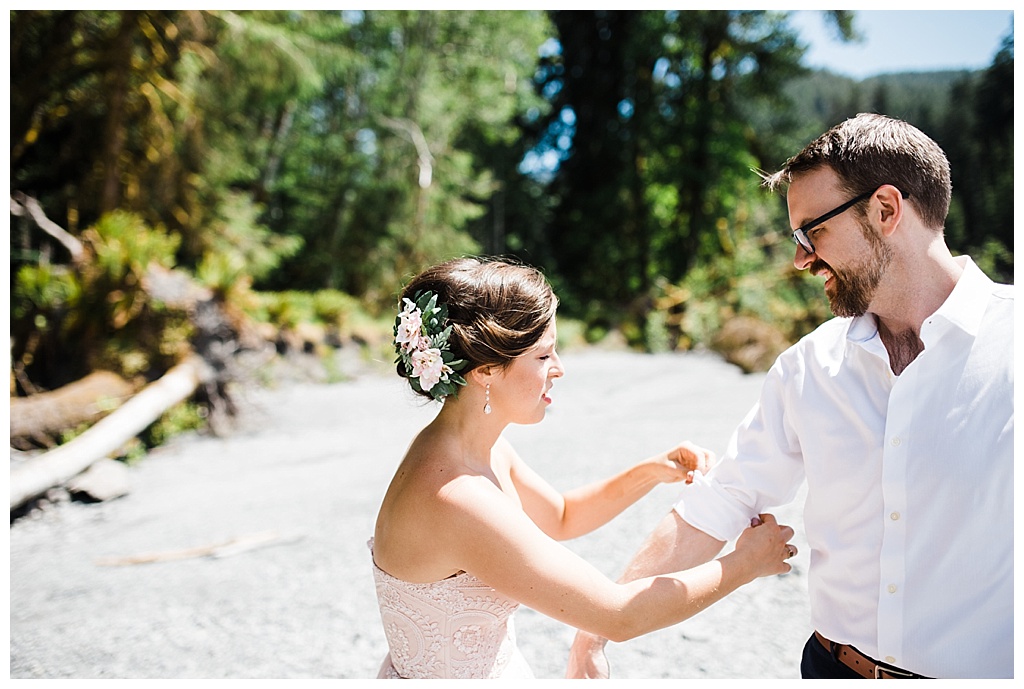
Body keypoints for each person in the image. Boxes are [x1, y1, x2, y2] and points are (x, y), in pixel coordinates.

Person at [567, 113, 1014, 680]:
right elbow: (721, 500)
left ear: (885, 210)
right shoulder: (808, 368)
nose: (800, 259)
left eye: (813, 232)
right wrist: (600, 624)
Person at [369, 256, 797, 679]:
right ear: (485, 371)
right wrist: (746, 563)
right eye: (542, 357)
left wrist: (651, 470)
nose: (559, 369)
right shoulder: (457, 498)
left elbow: (560, 515)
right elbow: (618, 615)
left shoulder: (465, 450)